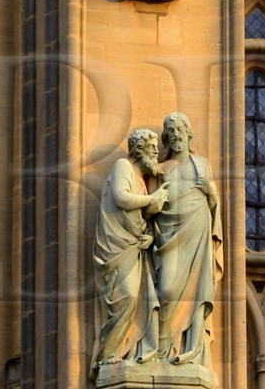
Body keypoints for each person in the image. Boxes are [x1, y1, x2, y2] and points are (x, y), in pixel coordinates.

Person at [92, 128, 168, 372]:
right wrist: (151, 200)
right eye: (152, 149)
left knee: (135, 296)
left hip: (133, 246)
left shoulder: (141, 181)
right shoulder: (123, 166)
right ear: (139, 149)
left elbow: (138, 216)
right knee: (126, 296)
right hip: (116, 247)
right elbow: (122, 199)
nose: (156, 154)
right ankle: (106, 355)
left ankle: (120, 351)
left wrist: (147, 234)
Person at [153, 113, 222, 368]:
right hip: (168, 234)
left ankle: (188, 349)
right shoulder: (162, 169)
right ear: (167, 138)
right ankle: (160, 347)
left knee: (195, 293)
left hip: (197, 231)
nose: (176, 134)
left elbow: (214, 204)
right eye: (171, 130)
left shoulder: (202, 164)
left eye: (180, 129)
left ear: (189, 134)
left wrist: (211, 193)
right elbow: (151, 204)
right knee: (166, 290)